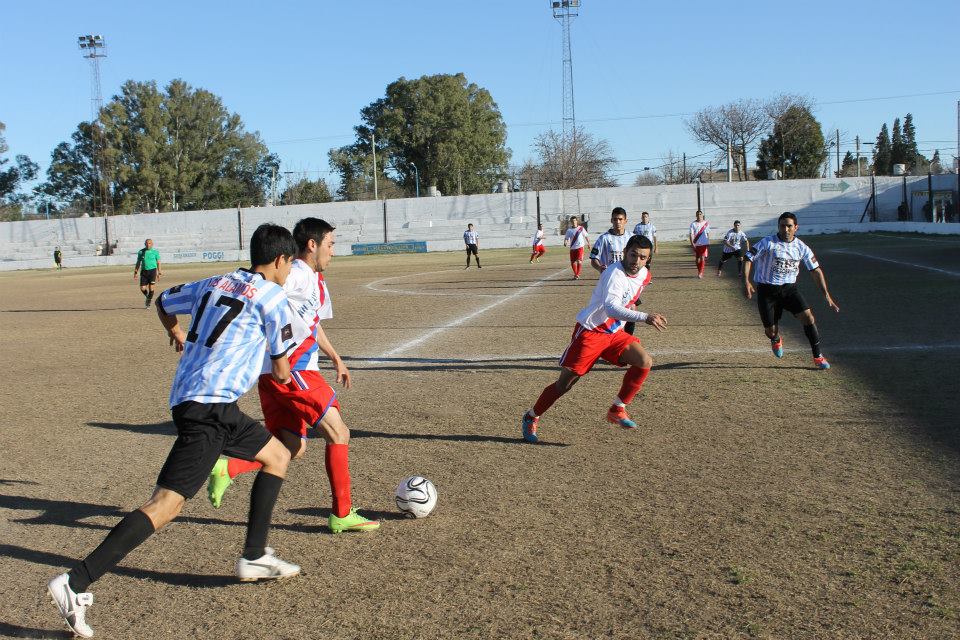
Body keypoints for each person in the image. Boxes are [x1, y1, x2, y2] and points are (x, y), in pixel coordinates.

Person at [48, 224, 302, 638]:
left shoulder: (213, 281)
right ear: (280, 260)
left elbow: (164, 301)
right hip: (211, 409)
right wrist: (291, 383)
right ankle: (76, 582)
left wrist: (175, 332)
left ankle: (254, 555)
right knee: (165, 504)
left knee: (277, 455)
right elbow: (280, 368)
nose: (290, 273)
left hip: (195, 399)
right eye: (289, 265)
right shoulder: (274, 297)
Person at [207, 217, 379, 534]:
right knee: (339, 433)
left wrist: (334, 355)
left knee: (291, 448)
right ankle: (342, 513)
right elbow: (266, 288)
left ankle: (229, 466)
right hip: (292, 370)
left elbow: (312, 322)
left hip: (276, 375)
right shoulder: (298, 272)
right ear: (311, 245)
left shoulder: (313, 278)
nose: (333, 252)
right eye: (330, 244)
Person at [521, 234, 668, 444]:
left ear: (648, 259)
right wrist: (645, 317)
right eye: (633, 254)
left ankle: (617, 408)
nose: (637, 261)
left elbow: (631, 299)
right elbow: (611, 308)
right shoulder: (613, 274)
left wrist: (632, 310)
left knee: (644, 361)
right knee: (564, 385)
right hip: (590, 333)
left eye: (643, 257)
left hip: (614, 334)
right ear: (625, 252)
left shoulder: (644, 275)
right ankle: (531, 416)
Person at [743, 211, 840, 370]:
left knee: (808, 318)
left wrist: (826, 295)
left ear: (796, 227)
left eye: (789, 226)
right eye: (782, 226)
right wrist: (746, 281)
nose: (785, 229)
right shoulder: (767, 243)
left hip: (789, 290)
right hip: (767, 292)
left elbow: (815, 271)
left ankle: (818, 356)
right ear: (778, 227)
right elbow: (748, 258)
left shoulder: (802, 247)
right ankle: (775, 339)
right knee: (770, 331)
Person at [590, 207, 639, 335]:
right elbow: (593, 259)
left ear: (625, 221)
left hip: (628, 280)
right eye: (615, 219)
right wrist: (600, 268)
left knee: (632, 308)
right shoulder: (604, 238)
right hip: (611, 281)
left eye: (620, 219)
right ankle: (609, 338)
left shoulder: (632, 238)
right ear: (611, 220)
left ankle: (628, 339)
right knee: (609, 312)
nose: (618, 222)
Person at [133, 239, 162, 307]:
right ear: (145, 244)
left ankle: (148, 301)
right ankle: (148, 297)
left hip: (152, 271)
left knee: (151, 288)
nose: (148, 245)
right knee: (142, 288)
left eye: (149, 243)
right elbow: (138, 262)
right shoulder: (141, 252)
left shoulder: (155, 252)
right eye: (146, 243)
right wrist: (135, 272)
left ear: (152, 244)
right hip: (144, 271)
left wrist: (159, 272)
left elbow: (158, 262)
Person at [563, 215, 589, 280]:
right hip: (572, 248)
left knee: (579, 261)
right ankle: (575, 274)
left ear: (577, 221)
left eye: (574, 220)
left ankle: (577, 274)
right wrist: (565, 242)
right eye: (572, 221)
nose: (573, 222)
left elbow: (586, 236)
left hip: (580, 247)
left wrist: (588, 243)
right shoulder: (569, 230)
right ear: (570, 222)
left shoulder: (581, 228)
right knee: (573, 262)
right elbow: (566, 238)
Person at [689, 210, 710, 279]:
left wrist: (708, 241)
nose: (699, 215)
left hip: (704, 243)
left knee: (702, 257)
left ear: (702, 215)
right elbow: (691, 234)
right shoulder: (693, 224)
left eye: (700, 214)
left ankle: (701, 272)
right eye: (698, 214)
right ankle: (699, 271)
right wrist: (692, 243)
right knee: (697, 259)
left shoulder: (706, 223)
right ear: (696, 215)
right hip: (697, 243)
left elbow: (708, 233)